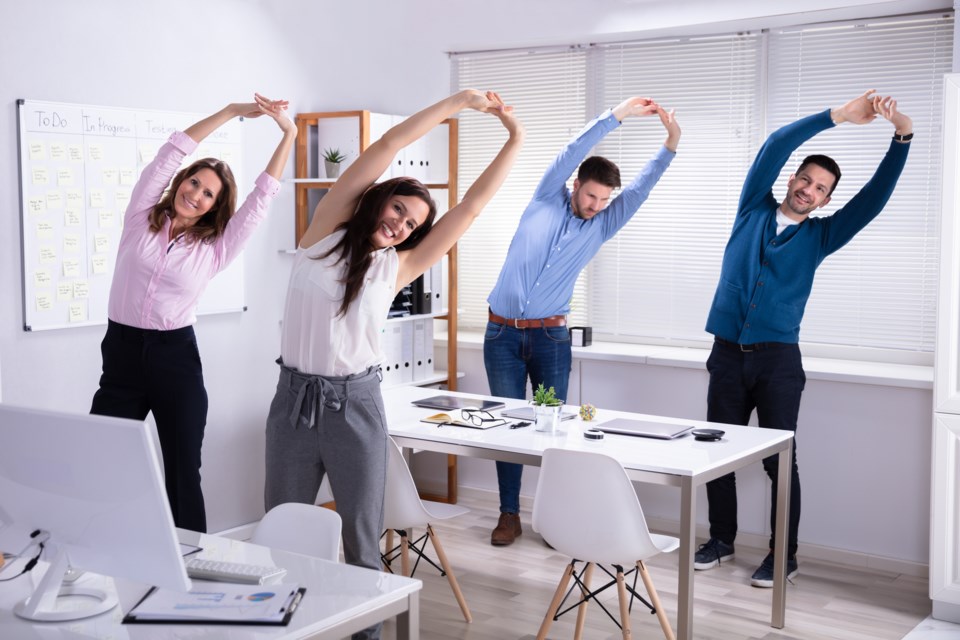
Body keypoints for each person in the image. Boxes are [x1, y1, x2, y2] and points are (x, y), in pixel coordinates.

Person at [263, 90, 523, 640]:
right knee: (281, 535)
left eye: (413, 223)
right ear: (377, 202)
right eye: (398, 210)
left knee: (362, 542)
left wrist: (514, 137)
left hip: (355, 404)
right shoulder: (321, 236)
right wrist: (460, 101)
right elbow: (389, 143)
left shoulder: (397, 267)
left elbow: (470, 208)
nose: (403, 224)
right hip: (293, 402)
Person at [695, 90, 912, 587]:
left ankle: (783, 555)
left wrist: (901, 135)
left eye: (820, 188)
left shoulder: (821, 236)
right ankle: (721, 538)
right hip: (727, 355)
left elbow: (875, 198)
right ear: (792, 180)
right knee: (718, 452)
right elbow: (774, 144)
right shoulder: (751, 209)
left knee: (779, 462)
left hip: (778, 363)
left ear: (826, 200)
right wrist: (837, 117)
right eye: (805, 179)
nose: (809, 190)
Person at [91, 95, 296, 533]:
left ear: (215, 206)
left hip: (175, 359)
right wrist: (230, 112)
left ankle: (196, 569)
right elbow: (174, 150)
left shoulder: (216, 246)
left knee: (183, 471)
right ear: (181, 180)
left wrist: (289, 133)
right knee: (101, 458)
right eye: (194, 183)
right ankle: (103, 550)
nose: (196, 194)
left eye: (208, 194)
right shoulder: (140, 215)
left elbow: (262, 199)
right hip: (123, 352)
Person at [484, 97, 681, 546]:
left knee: (551, 423)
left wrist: (671, 143)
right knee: (511, 427)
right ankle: (509, 514)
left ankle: (556, 517)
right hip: (501, 338)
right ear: (575, 185)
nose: (596, 204)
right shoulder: (545, 197)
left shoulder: (602, 224)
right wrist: (619, 115)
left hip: (551, 341)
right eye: (591, 195)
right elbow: (573, 148)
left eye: (603, 199)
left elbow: (643, 187)